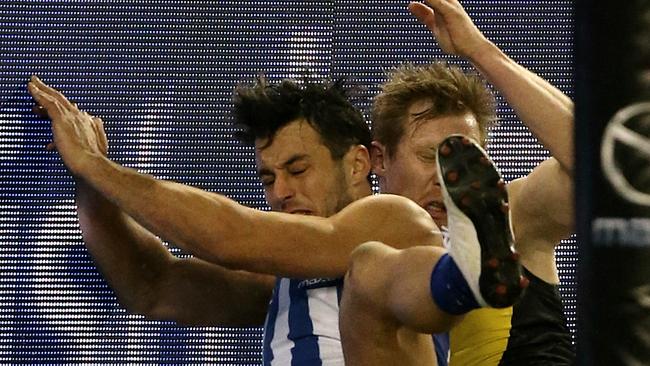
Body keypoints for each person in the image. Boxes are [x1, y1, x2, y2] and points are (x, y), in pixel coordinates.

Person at [28, 72, 523, 365]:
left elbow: (228, 236)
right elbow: (151, 285)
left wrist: (97, 165)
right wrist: (89, 185)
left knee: (370, 266)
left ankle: (463, 276)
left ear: (357, 164)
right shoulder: (281, 276)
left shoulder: (393, 218)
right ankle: (466, 274)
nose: (281, 191)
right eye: (268, 178)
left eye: (298, 169)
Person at [340, 0, 575, 365]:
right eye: (429, 155)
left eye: (466, 157)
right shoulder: (359, 257)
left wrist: (478, 50)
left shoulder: (515, 219)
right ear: (380, 159)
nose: (446, 177)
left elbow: (605, 165)